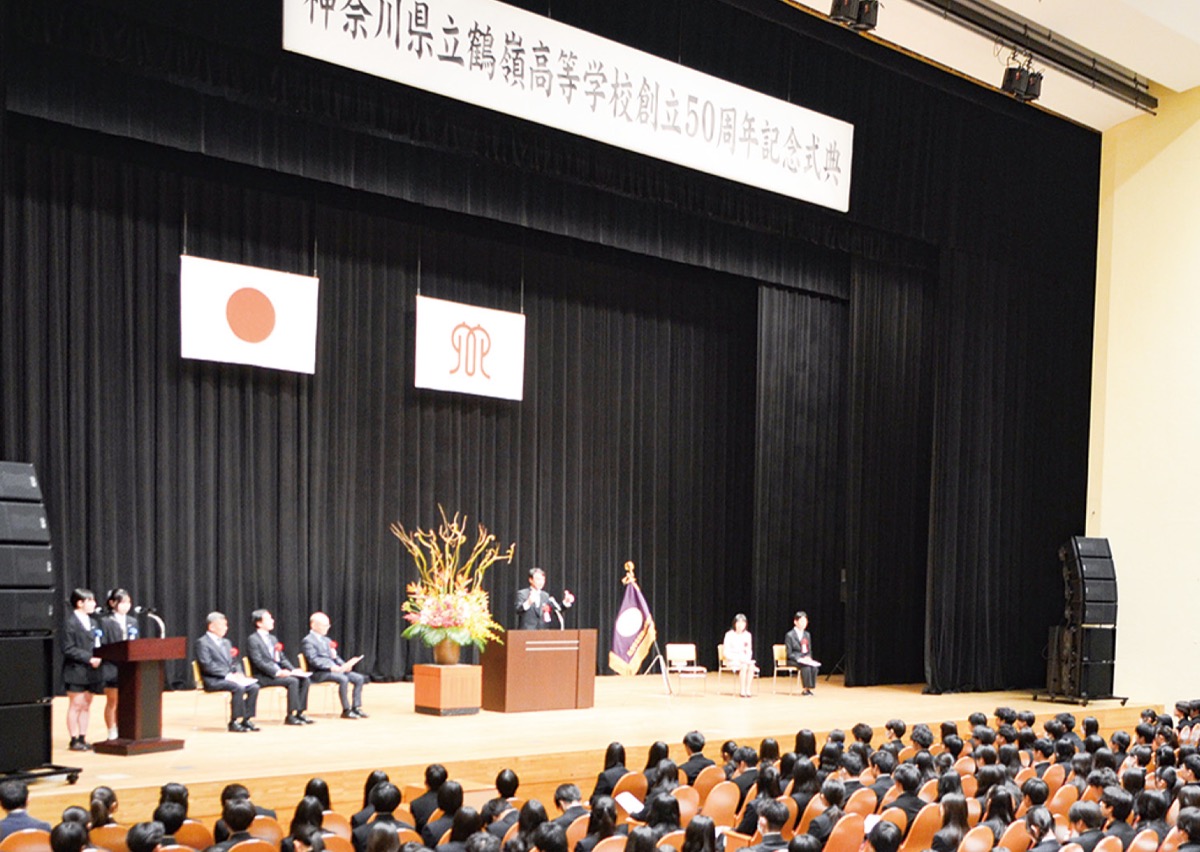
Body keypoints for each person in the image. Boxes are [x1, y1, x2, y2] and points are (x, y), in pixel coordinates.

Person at [196, 611, 260, 732]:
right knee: (238, 688)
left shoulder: (226, 642)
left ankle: (246, 719)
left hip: (230, 678)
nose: (226, 628)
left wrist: (239, 674)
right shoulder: (202, 643)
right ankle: (234, 721)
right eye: (223, 625)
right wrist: (228, 675)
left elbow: (235, 661)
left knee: (254, 687)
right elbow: (207, 665)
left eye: (226, 625)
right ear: (212, 627)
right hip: (214, 680)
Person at [246, 609, 313, 725]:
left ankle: (299, 712)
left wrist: (293, 670)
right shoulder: (253, 639)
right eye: (268, 619)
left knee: (304, 679)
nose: (272, 621)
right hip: (263, 676)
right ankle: (291, 715)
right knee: (292, 681)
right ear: (259, 623)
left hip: (276, 673)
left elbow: (282, 658)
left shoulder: (272, 639)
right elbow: (258, 662)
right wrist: (277, 672)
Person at [302, 612, 368, 719]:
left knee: (359, 678)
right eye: (324, 625)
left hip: (334, 670)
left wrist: (344, 665)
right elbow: (313, 660)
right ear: (313, 625)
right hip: (319, 672)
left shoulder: (327, 640)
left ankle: (356, 707)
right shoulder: (308, 641)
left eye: (328, 625)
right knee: (343, 679)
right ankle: (346, 709)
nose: (327, 628)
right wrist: (330, 667)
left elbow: (335, 657)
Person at [63, 588, 103, 751]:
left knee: (86, 704)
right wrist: (88, 658)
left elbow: (98, 643)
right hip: (76, 669)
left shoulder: (93, 623)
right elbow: (68, 648)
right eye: (90, 601)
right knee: (76, 704)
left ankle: (82, 736)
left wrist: (100, 656)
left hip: (91, 670)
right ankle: (73, 739)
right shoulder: (70, 623)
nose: (94, 604)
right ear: (80, 603)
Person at [99, 588, 140, 740]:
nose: (126, 605)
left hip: (128, 667)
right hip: (112, 666)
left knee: (126, 701)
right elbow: (103, 644)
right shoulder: (105, 621)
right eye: (122, 602)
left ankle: (125, 728)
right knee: (113, 701)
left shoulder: (132, 621)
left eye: (128, 602)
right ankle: (111, 729)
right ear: (112, 603)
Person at [784, 612, 818, 696]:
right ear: (795, 622)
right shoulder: (789, 635)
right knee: (806, 667)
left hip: (804, 658)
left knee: (814, 667)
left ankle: (810, 687)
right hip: (793, 659)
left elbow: (809, 649)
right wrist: (800, 658)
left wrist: (809, 657)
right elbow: (789, 653)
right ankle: (805, 689)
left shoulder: (807, 634)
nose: (804, 624)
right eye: (801, 621)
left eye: (805, 621)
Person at [723, 614, 756, 698]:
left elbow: (749, 650)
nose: (740, 625)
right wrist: (737, 658)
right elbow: (726, 652)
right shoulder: (729, 635)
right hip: (732, 659)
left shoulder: (748, 635)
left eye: (743, 623)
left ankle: (748, 689)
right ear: (734, 623)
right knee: (744, 666)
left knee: (751, 666)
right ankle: (742, 690)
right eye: (738, 622)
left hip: (744, 659)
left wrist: (747, 658)